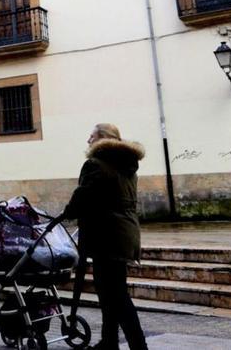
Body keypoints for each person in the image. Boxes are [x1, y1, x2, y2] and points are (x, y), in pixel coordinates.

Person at [62, 123, 148, 350]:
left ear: (102, 139)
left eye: (91, 137)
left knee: (116, 295)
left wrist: (68, 212)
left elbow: (83, 196)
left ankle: (138, 345)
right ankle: (109, 341)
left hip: (106, 236)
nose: (87, 141)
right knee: (111, 292)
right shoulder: (128, 165)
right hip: (125, 233)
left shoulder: (95, 164)